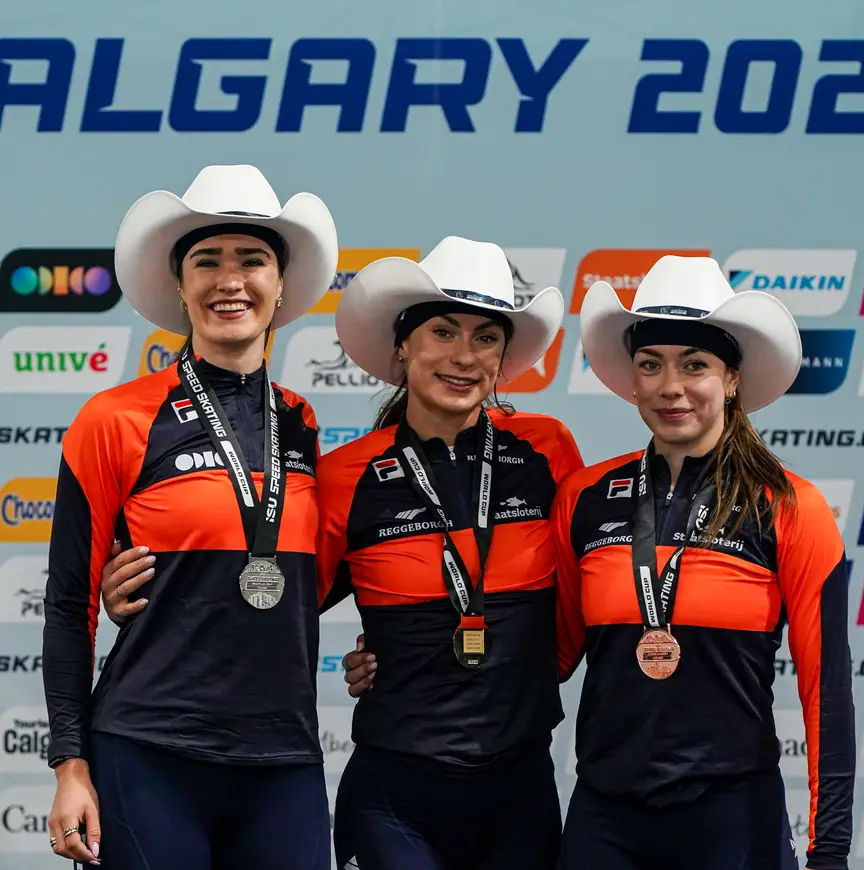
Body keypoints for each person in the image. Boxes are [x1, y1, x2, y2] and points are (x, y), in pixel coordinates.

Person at [100, 236, 585, 870]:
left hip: (522, 784)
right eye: (442, 332)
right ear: (403, 346)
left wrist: (527, 671)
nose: (463, 356)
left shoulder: (549, 449)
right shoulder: (347, 475)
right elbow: (274, 599)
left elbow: (585, 590)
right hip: (396, 792)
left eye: (485, 338)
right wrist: (143, 593)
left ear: (503, 356)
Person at [42, 164, 339, 870]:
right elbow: (68, 604)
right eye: (207, 261)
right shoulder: (114, 418)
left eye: (252, 260)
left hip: (285, 757)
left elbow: (311, 578)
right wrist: (69, 765)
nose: (230, 280)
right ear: (179, 285)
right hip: (149, 753)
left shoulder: (300, 422)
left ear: (280, 285)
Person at [551, 255, 855, 870]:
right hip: (605, 822)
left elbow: (826, 692)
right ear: (632, 380)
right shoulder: (584, 497)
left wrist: (830, 850)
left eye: (695, 365)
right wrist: (400, 659)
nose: (671, 386)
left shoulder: (790, 506)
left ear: (731, 378)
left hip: (734, 821)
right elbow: (542, 659)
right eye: (651, 364)